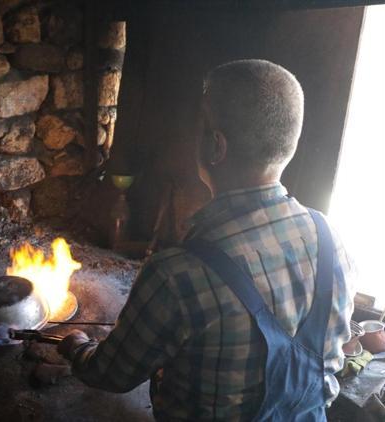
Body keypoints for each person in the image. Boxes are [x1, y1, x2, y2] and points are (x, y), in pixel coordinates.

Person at [58, 59, 355, 421]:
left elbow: (112, 373)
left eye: (198, 123)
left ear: (216, 146)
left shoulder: (177, 272)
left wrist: (77, 347)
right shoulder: (330, 238)